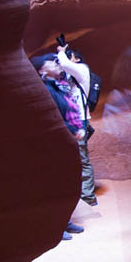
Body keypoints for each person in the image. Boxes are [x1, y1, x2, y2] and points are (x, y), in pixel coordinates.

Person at [31, 54, 84, 239]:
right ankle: (53, 226)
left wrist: (79, 128)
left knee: (66, 183)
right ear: (41, 70)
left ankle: (64, 221)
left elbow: (71, 110)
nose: (56, 64)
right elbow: (53, 116)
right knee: (55, 185)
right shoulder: (45, 90)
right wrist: (71, 129)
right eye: (51, 62)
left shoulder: (57, 86)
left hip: (67, 141)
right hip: (56, 144)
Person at [56, 43, 98, 207]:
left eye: (70, 56)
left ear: (77, 59)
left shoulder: (81, 69)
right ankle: (79, 194)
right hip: (73, 120)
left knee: (82, 158)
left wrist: (61, 52)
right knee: (75, 158)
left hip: (79, 121)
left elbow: (65, 63)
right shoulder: (70, 76)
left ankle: (87, 197)